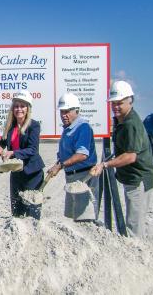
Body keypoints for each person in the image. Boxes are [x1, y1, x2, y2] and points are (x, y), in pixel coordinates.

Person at [91, 81, 153, 237]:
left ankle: (136, 254)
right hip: (131, 177)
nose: (115, 107)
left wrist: (105, 164)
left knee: (134, 223)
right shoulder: (121, 120)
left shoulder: (131, 124)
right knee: (136, 218)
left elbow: (130, 156)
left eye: (119, 103)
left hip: (138, 178)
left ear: (130, 101)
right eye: (113, 103)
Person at [48, 93, 99, 222]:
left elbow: (82, 154)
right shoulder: (68, 129)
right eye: (62, 111)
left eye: (67, 111)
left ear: (76, 110)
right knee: (73, 217)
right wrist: (57, 164)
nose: (64, 115)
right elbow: (66, 154)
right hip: (71, 177)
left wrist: (61, 165)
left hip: (83, 177)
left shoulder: (83, 128)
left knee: (84, 218)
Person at [0, 90, 45, 219]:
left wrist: (12, 153)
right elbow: (1, 143)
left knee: (31, 211)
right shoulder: (10, 126)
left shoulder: (34, 125)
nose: (19, 109)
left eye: (22, 106)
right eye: (16, 106)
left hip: (32, 173)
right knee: (16, 210)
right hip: (16, 173)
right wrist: (0, 149)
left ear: (28, 108)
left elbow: (33, 149)